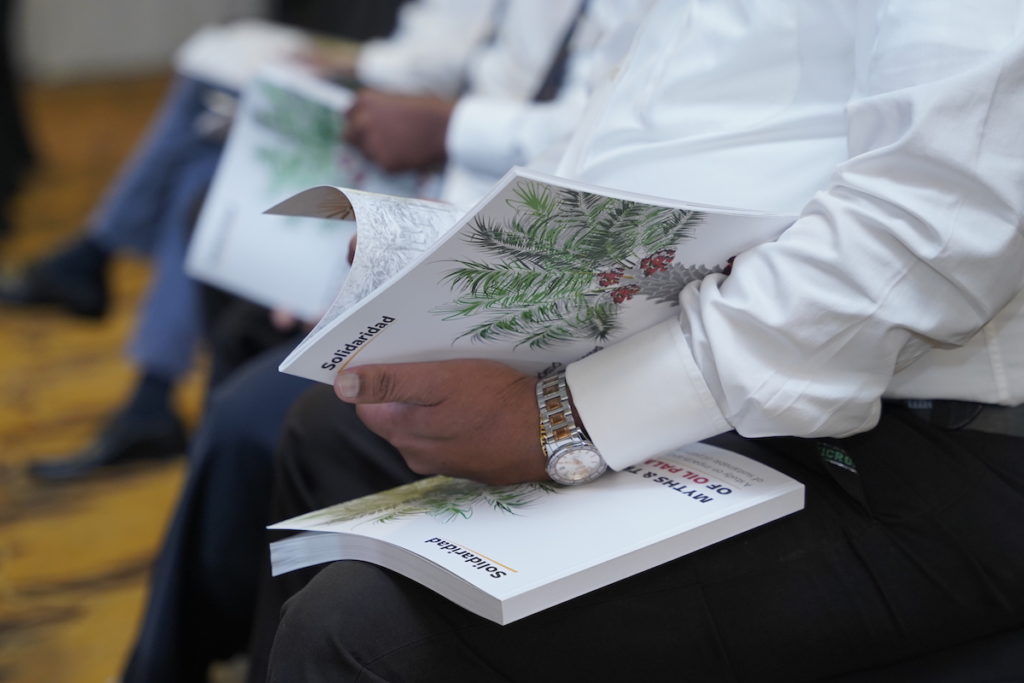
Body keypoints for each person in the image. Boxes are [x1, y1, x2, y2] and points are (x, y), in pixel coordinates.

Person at [260, 2, 1024, 681]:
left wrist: (565, 419)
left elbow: (936, 218)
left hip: (917, 440)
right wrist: (448, 268)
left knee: (362, 633)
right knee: (325, 432)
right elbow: (614, 132)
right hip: (721, 354)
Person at [118, 1, 647, 680]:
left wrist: (448, 133)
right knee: (237, 266)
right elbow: (477, 70)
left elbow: (589, 153)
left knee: (266, 420)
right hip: (460, 207)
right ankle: (220, 622)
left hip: (549, 263)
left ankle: (187, 649)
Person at [5, 0, 498, 481]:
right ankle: (146, 397)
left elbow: (461, 64)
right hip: (416, 91)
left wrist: (352, 62)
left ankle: (106, 286)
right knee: (210, 121)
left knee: (211, 138)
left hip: (434, 127)